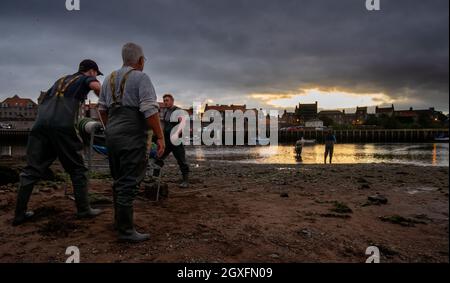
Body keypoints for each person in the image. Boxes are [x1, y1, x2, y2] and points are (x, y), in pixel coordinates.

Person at [13, 59, 103, 226]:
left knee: (31, 170)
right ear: (91, 71)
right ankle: (84, 210)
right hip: (63, 126)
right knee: (78, 169)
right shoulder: (86, 78)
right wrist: (106, 99)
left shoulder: (60, 81)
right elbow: (96, 87)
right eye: (96, 73)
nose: (96, 76)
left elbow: (45, 101)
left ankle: (19, 214)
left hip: (40, 126)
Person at [98, 42, 165, 243]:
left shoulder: (108, 79)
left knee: (118, 179)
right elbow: (149, 110)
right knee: (130, 181)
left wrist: (111, 128)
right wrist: (160, 136)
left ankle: (119, 222)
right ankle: (126, 231)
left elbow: (101, 110)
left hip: (112, 134)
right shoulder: (141, 78)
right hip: (132, 136)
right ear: (141, 60)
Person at [158, 94, 190, 188]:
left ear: (172, 101)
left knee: (181, 161)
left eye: (167, 100)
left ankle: (185, 181)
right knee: (159, 158)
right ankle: (154, 179)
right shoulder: (166, 112)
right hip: (167, 140)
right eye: (164, 100)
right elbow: (164, 125)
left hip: (176, 140)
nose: (165, 102)